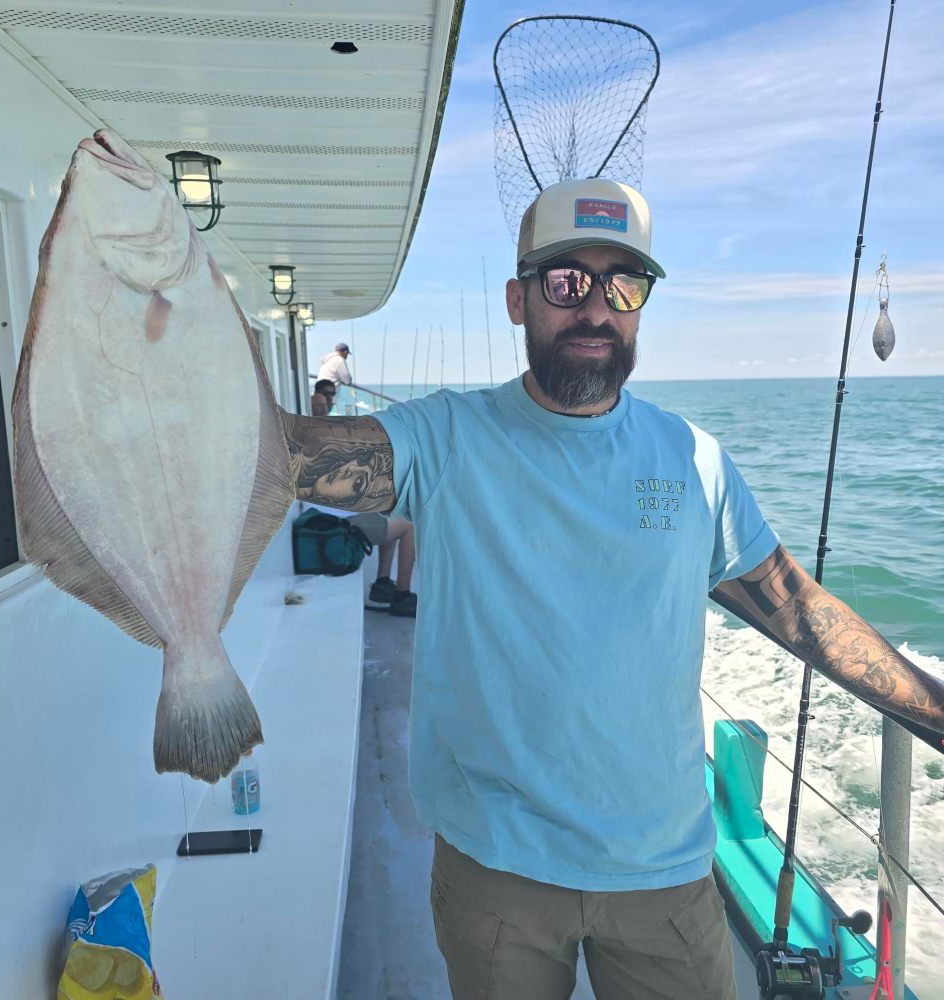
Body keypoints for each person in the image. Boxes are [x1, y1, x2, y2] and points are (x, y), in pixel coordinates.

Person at [277, 178, 944, 1000]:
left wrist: (935, 711)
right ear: (519, 300)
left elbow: (800, 613)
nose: (596, 307)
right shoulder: (445, 438)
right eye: (567, 282)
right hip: (497, 869)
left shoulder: (694, 460)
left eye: (623, 284)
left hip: (663, 873)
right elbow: (292, 457)